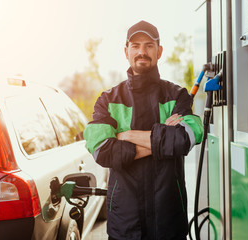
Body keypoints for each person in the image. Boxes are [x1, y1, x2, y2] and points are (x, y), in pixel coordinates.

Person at [83, 20, 203, 240]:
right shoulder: (108, 100)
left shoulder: (177, 95)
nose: (142, 51)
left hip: (169, 222)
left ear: (159, 51)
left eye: (149, 45)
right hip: (125, 225)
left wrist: (126, 136)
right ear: (126, 51)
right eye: (136, 45)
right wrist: (162, 141)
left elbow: (184, 139)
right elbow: (103, 150)